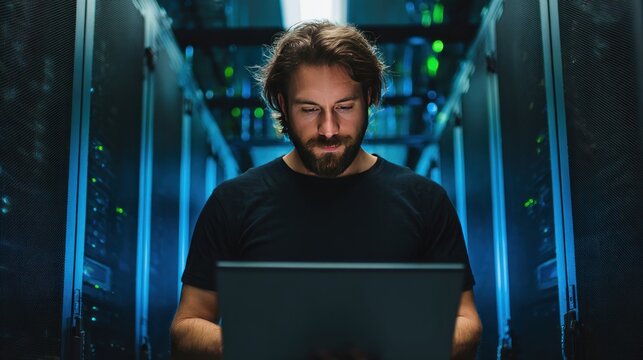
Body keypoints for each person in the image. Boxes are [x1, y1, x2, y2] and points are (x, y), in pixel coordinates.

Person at [170, 21, 482, 360]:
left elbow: (466, 320)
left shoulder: (425, 201)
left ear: (370, 99)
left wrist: (391, 344)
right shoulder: (232, 202)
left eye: (345, 107)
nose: (329, 129)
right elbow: (187, 326)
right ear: (282, 104)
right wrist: (264, 344)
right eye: (309, 110)